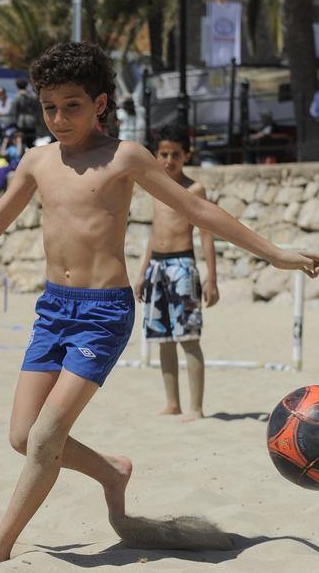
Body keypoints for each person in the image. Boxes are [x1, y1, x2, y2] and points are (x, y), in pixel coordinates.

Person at [0, 42, 319, 565]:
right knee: (23, 436)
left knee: (47, 434)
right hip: (53, 310)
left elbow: (198, 209)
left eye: (72, 105)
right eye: (49, 107)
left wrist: (276, 254)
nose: (59, 118)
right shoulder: (37, 161)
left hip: (104, 313)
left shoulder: (126, 157)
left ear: (101, 103)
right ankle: (112, 472)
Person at [134, 123, 219, 422]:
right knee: (163, 338)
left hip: (183, 266)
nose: (169, 160)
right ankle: (173, 402)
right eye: (163, 154)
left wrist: (212, 278)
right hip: (157, 265)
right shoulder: (155, 188)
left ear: (186, 156)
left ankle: (196, 406)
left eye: (175, 155)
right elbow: (155, 233)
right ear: (156, 156)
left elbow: (207, 234)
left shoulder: (195, 189)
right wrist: (142, 272)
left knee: (189, 337)